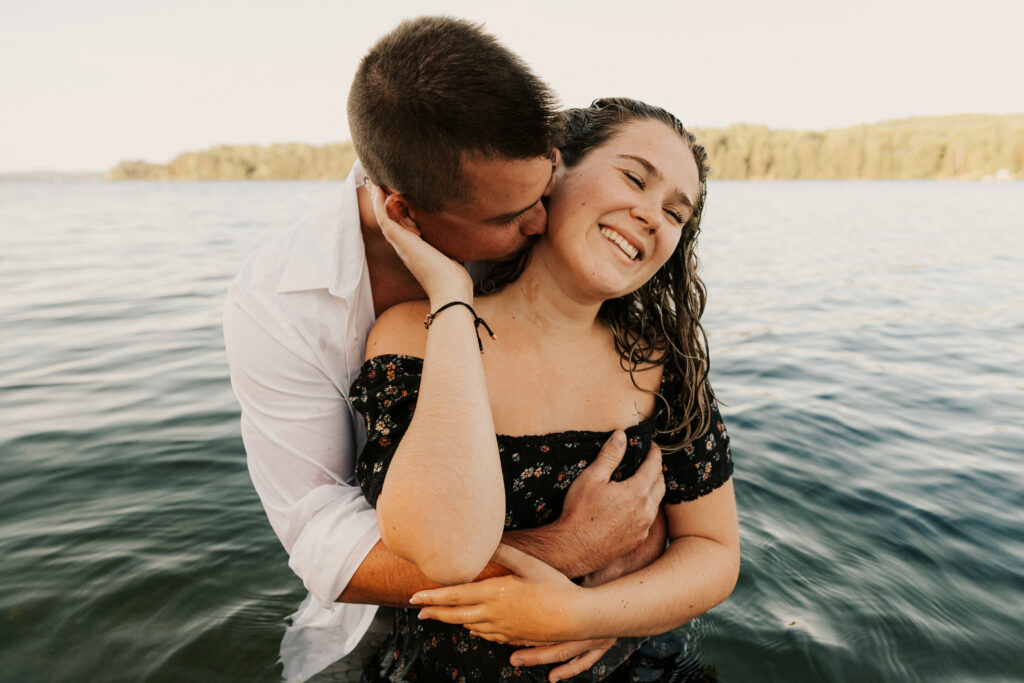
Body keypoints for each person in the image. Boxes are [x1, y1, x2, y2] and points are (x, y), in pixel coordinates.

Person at [223, 18, 668, 681]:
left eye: (544, 190)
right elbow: (320, 534)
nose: (541, 223)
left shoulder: (525, 203)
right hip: (380, 609)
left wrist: (606, 597)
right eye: (506, 218)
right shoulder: (278, 304)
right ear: (403, 216)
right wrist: (565, 552)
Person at [349, 97, 739, 682]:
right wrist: (451, 297)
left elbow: (713, 551)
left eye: (676, 213)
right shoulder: (413, 334)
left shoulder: (664, 363)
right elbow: (435, 546)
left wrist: (585, 614)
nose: (653, 216)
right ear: (552, 171)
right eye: (633, 177)